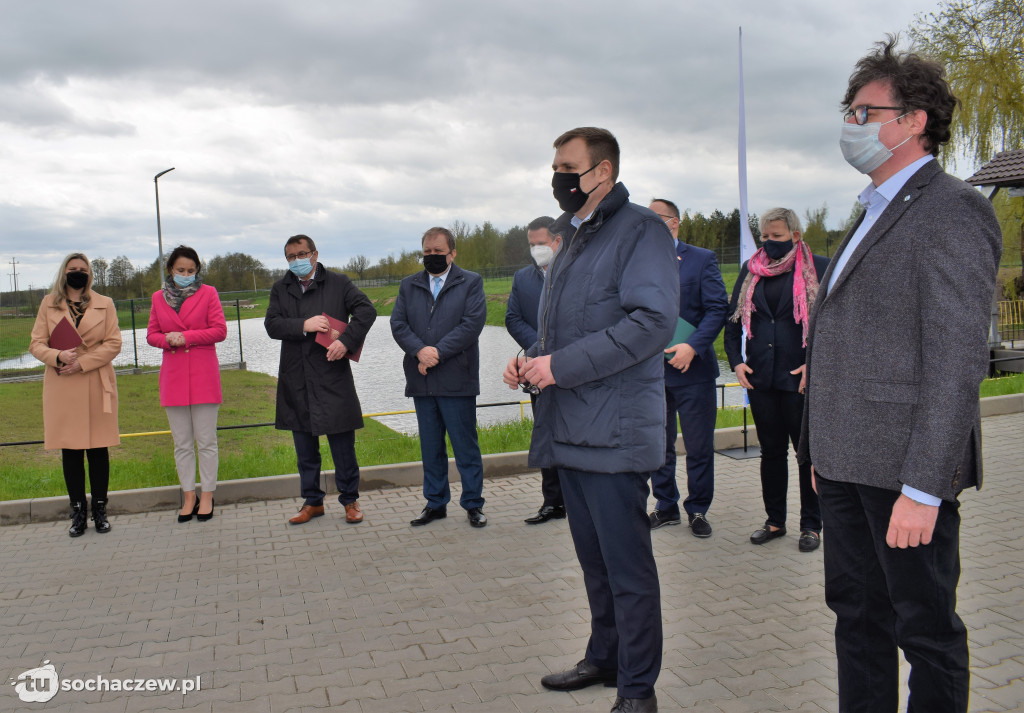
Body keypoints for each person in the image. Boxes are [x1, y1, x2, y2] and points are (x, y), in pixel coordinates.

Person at [797, 37, 1001, 712]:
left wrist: (923, 484)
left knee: (927, 630)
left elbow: (956, 358)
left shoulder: (951, 208)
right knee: (857, 619)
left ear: (913, 120)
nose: (851, 127)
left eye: (865, 113)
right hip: (846, 462)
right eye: (848, 113)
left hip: (904, 469)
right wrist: (822, 448)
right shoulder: (870, 209)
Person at [504, 127, 678, 713]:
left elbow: (651, 322)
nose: (558, 178)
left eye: (567, 167)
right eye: (554, 166)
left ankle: (638, 691)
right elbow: (569, 326)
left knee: (628, 572)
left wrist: (562, 366)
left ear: (601, 172)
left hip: (614, 430)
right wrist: (532, 363)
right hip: (572, 429)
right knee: (594, 564)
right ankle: (605, 657)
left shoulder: (640, 232)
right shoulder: (576, 237)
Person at [725, 209, 829, 552]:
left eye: (778, 237)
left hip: (799, 378)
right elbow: (733, 321)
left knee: (806, 455)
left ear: (796, 236)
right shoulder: (751, 270)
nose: (769, 243)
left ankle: (812, 525)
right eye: (765, 237)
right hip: (760, 378)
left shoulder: (819, 268)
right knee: (771, 452)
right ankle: (774, 521)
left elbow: (833, 324)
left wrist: (813, 365)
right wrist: (737, 363)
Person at [265, 234, 377, 525]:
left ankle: (350, 501)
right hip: (296, 378)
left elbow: (366, 310)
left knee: (343, 446)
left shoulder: (339, 283)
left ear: (314, 254)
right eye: (291, 256)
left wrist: (346, 342)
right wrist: (304, 325)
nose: (297, 260)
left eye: (302, 254)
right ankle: (312, 502)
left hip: (332, 376)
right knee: (305, 449)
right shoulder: (281, 288)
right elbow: (271, 324)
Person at [390, 227, 488, 528]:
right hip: (423, 380)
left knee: (464, 446)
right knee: (430, 447)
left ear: (453, 253)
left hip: (457, 378)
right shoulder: (409, 285)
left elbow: (471, 324)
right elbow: (398, 323)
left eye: (438, 252)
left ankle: (473, 504)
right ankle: (435, 503)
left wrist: (436, 352)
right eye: (427, 252)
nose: (432, 257)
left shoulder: (470, 282)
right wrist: (420, 351)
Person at [647, 198, 728, 538]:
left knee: (697, 445)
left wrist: (693, 346)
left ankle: (697, 509)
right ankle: (665, 506)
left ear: (674, 222)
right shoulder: (639, 262)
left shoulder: (701, 259)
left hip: (693, 372)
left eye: (655, 219)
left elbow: (717, 308)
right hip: (651, 372)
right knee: (658, 445)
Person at [29, 253, 121, 537]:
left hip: (95, 380)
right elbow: (35, 343)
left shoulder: (105, 303)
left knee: (97, 449)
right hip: (63, 384)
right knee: (70, 450)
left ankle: (101, 511)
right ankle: (78, 512)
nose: (78, 273)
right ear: (64, 272)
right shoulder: (48, 303)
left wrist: (83, 361)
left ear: (89, 273)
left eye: (83, 269)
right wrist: (58, 355)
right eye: (73, 269)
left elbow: (114, 342)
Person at [146, 245, 227, 522]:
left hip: (204, 377)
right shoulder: (158, 298)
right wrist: (168, 339)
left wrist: (187, 337)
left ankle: (207, 494)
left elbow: (220, 330)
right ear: (171, 270)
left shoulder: (209, 293)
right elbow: (151, 335)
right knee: (181, 443)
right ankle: (188, 494)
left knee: (206, 441)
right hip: (174, 378)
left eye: (191, 271)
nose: (186, 274)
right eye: (181, 270)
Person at [505, 216, 565, 524]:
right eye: (531, 244)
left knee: (573, 434)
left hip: (571, 369)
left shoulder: (574, 272)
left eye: (540, 244)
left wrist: (553, 350)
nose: (535, 249)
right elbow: (512, 318)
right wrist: (539, 349)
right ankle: (552, 501)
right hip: (537, 370)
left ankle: (577, 499)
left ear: (557, 241)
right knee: (544, 434)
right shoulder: (523, 278)